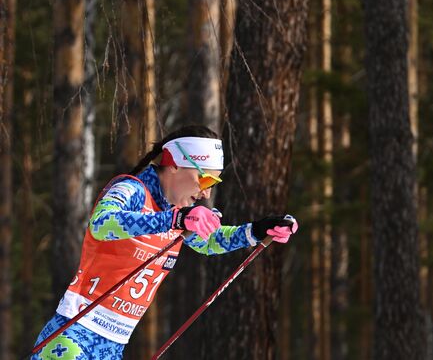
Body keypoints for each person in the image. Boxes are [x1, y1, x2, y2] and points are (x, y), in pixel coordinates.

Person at [32, 125, 298, 360]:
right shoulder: (131, 190)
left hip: (113, 345)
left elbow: (209, 242)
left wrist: (257, 230)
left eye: (213, 183)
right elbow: (101, 224)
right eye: (204, 179)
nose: (206, 192)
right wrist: (176, 219)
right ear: (174, 165)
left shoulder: (177, 213)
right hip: (73, 337)